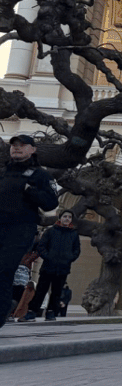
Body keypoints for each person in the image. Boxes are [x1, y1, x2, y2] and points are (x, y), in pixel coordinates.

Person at [0, 135, 58, 329]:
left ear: (32, 149)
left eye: (22, 145)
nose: (16, 149)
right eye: (14, 146)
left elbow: (51, 203)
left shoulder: (39, 175)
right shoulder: (2, 172)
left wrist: (29, 190)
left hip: (19, 230)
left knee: (4, 271)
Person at [26, 209, 81, 322]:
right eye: (65, 216)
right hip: (48, 266)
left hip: (63, 268)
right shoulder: (50, 231)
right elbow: (41, 246)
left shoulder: (74, 234)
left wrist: (69, 259)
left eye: (69, 217)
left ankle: (51, 312)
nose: (67, 219)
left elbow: (76, 250)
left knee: (57, 292)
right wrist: (48, 257)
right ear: (60, 218)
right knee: (41, 290)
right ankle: (32, 311)